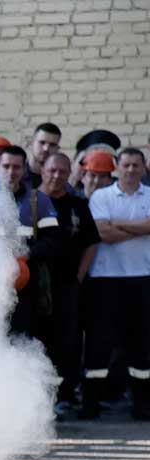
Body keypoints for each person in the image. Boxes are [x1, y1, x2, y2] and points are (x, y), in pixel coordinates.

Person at [81, 148, 150, 420]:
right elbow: (102, 233)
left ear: (143, 169)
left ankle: (143, 406)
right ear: (116, 168)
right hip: (105, 279)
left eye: (136, 165)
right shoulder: (101, 196)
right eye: (126, 165)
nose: (131, 170)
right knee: (100, 343)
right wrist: (141, 227)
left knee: (142, 345)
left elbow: (115, 228)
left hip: (142, 277)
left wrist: (118, 223)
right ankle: (90, 405)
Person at [38, 151, 99, 414]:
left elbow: (91, 242)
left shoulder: (77, 205)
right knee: (38, 338)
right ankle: (37, 397)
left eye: (63, 172)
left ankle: (64, 396)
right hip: (34, 285)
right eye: (52, 170)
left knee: (67, 341)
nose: (57, 176)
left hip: (67, 284)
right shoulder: (30, 201)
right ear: (43, 171)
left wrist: (79, 275)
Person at [0, 145, 60, 340]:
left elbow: (53, 241)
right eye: (6, 166)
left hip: (27, 284)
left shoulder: (38, 201)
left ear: (24, 169)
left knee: (22, 337)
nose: (11, 172)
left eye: (16, 167)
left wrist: (27, 254)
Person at [26, 122, 62, 189]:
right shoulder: (15, 175)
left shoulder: (60, 181)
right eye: (42, 142)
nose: (46, 149)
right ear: (31, 143)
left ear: (57, 149)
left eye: (52, 145)